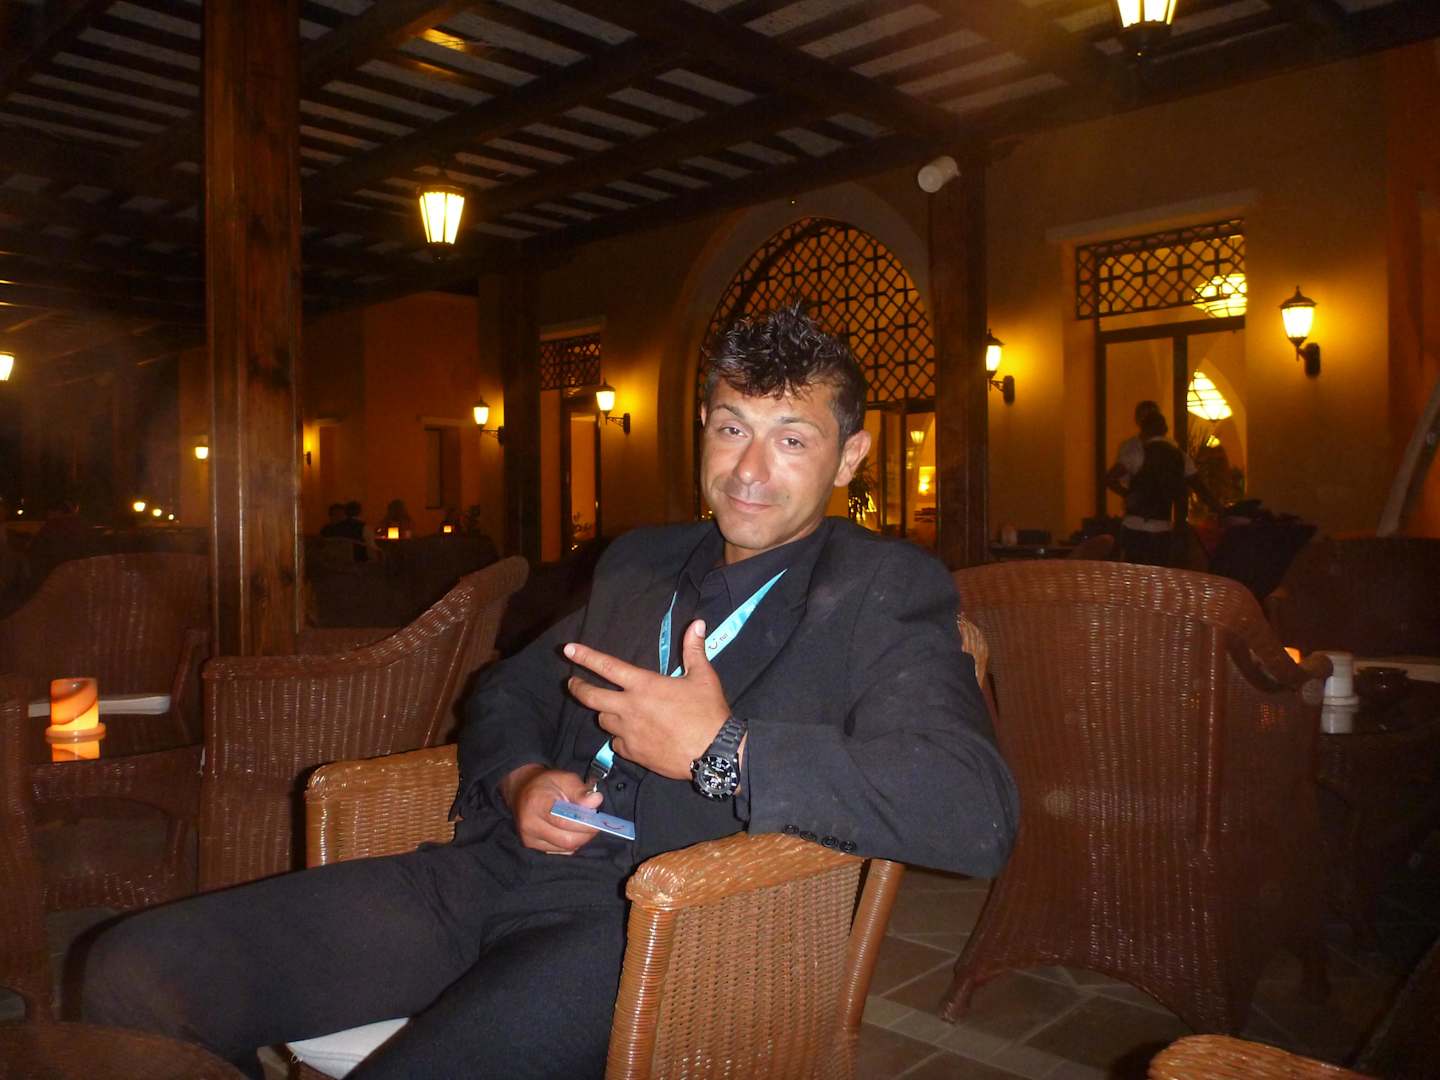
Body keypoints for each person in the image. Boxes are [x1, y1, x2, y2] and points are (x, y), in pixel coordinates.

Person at [81, 302, 1018, 1078]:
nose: (748, 469)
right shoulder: (640, 562)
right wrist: (522, 779)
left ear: (849, 458)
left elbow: (973, 811)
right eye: (732, 427)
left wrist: (723, 751)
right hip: (496, 870)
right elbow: (506, 692)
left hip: (650, 922)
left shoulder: (878, 590)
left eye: (792, 439)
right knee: (134, 972)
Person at [1106, 408, 1219, 566]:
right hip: (1162, 527)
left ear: (1143, 431)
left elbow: (1110, 478)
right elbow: (1199, 486)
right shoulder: (1180, 456)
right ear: (1165, 430)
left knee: (1133, 574)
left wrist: (1128, 494)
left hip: (1134, 525)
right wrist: (1218, 509)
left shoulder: (1136, 454)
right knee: (1159, 574)